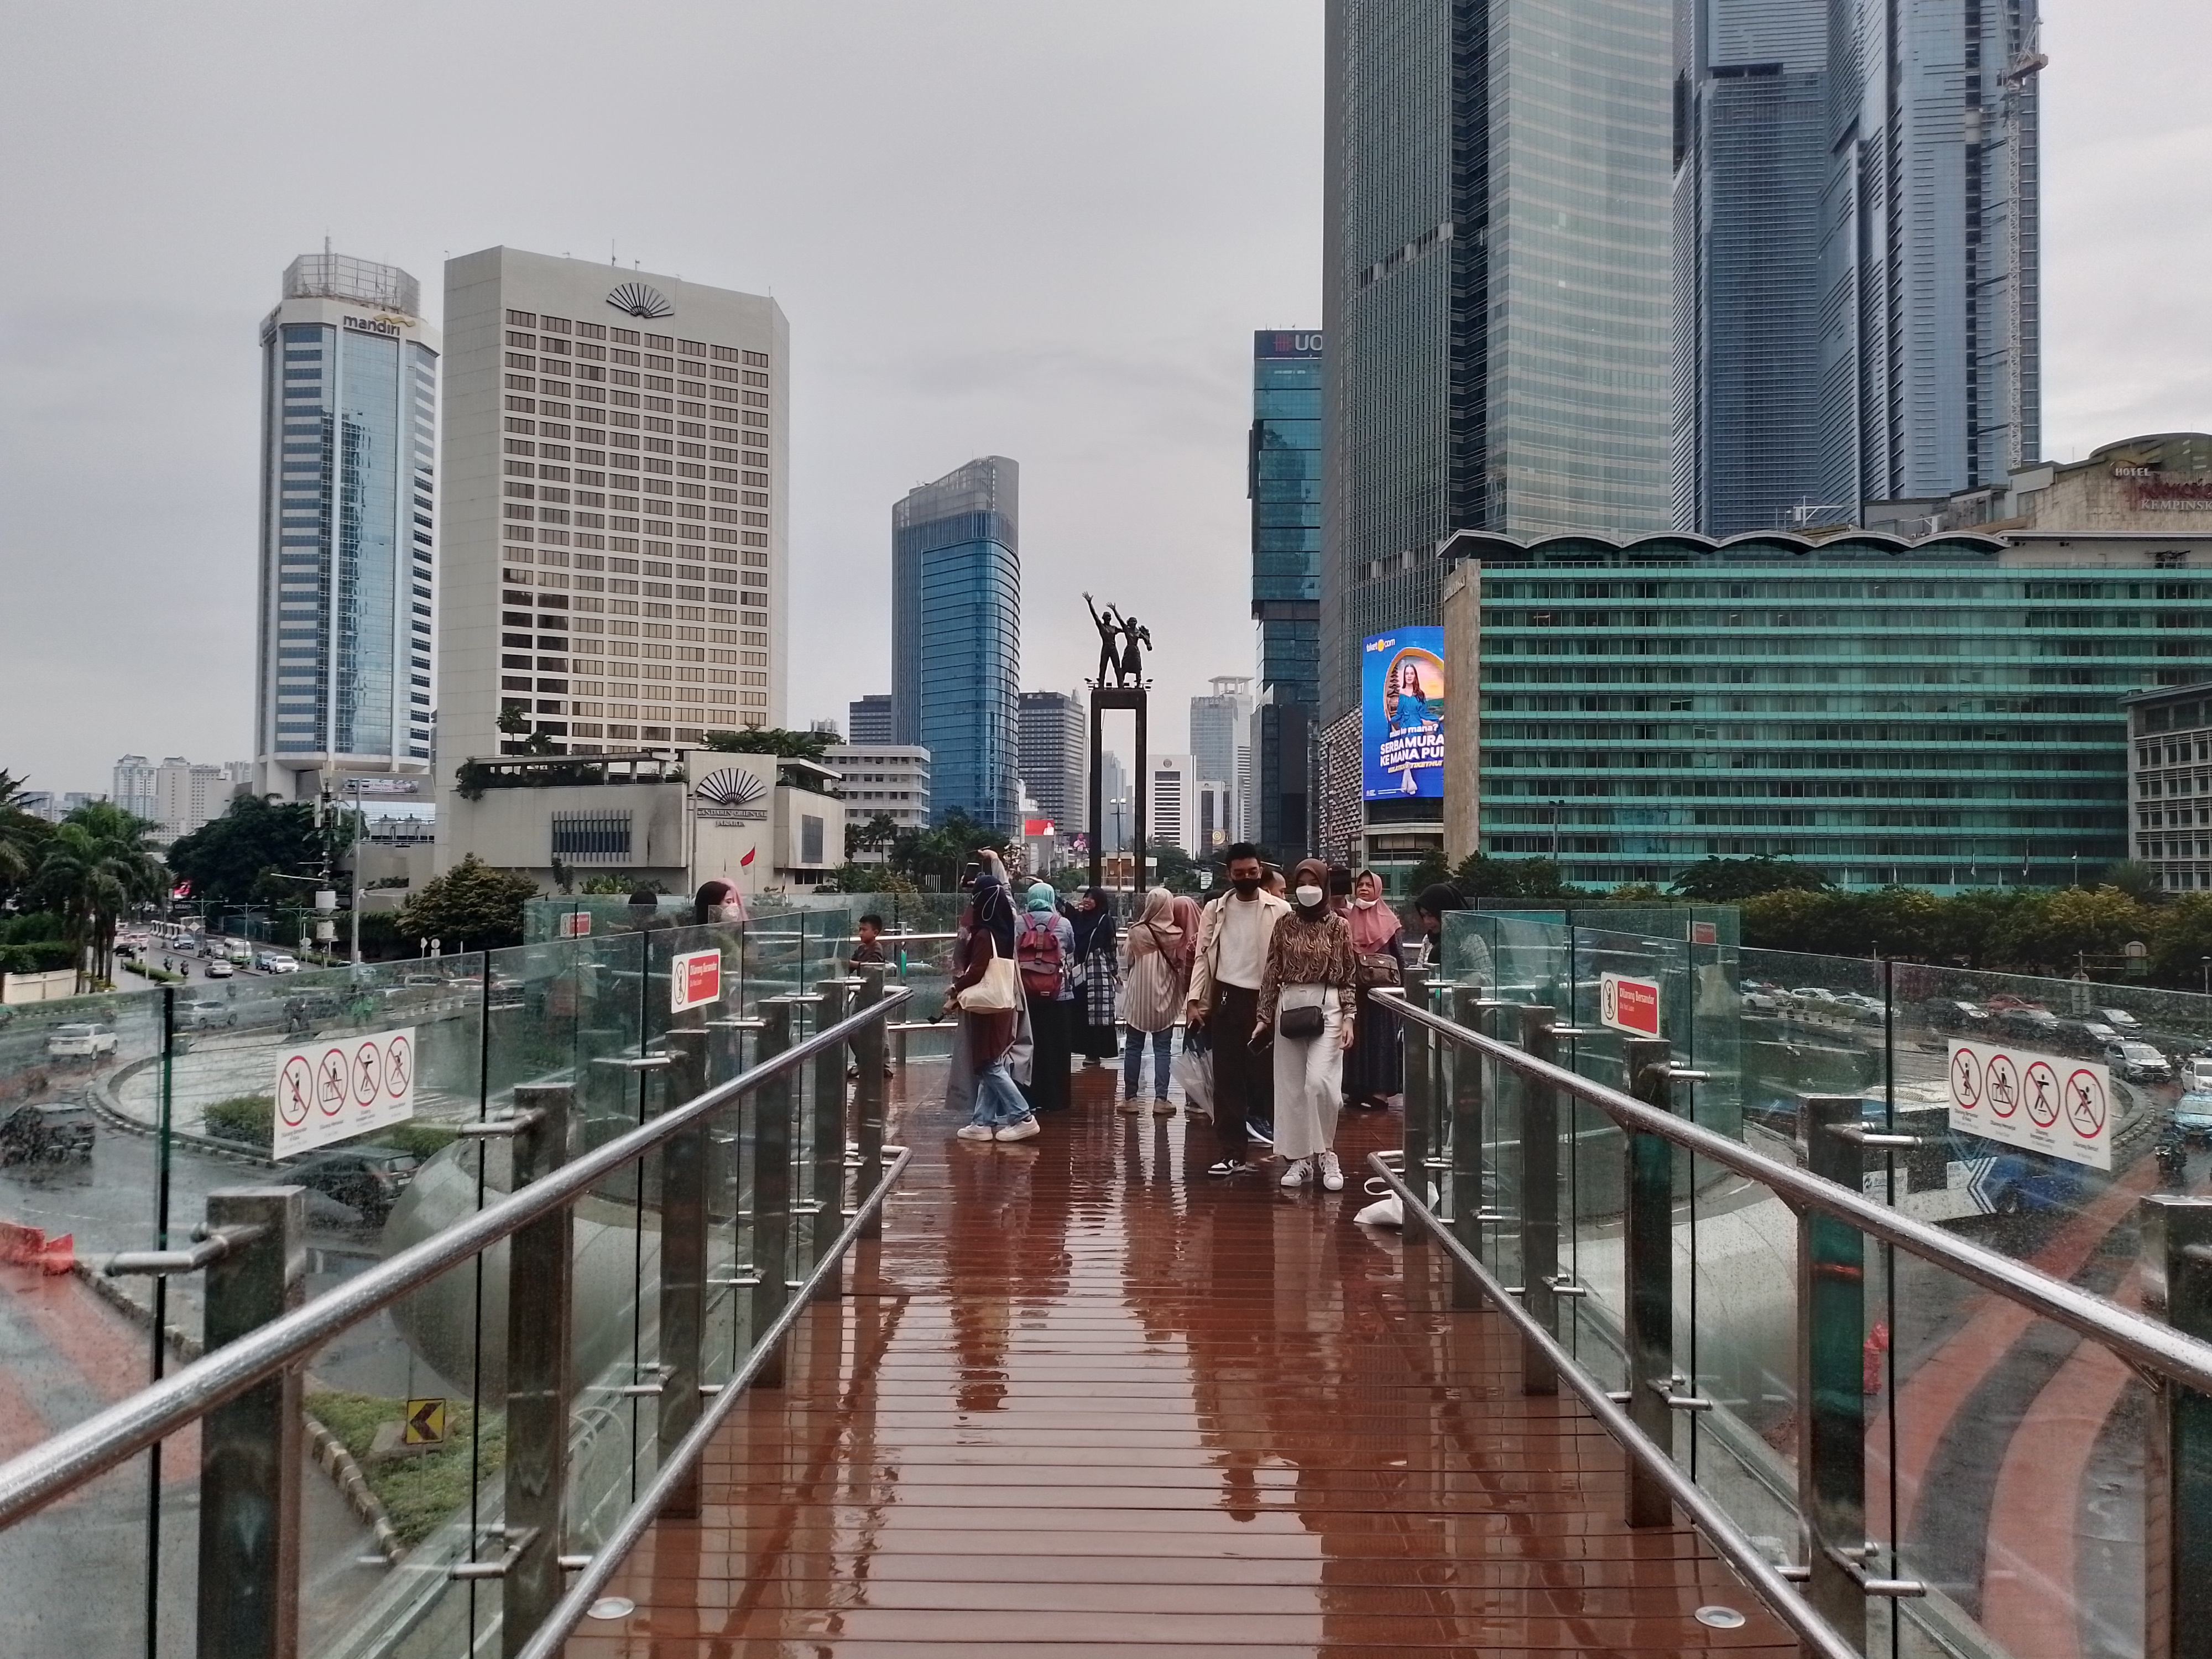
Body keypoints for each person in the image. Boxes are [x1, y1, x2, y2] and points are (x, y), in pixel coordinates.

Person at [1254, 858, 1360, 1191]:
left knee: (1319, 1084)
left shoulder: (1339, 926)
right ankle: (1300, 1158)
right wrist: (1263, 1016)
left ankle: (1327, 1152)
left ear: (1326, 885)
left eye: (1314, 883)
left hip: (1327, 1006)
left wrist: (1349, 1016)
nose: (1307, 890)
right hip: (1289, 1006)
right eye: (1301, 883)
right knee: (1291, 1089)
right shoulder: (1284, 924)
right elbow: (1271, 971)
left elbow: (1348, 974)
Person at [1186, 844, 1291, 1177]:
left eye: (1252, 872)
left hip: (1267, 999)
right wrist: (1194, 1001)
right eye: (1239, 873)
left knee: (1272, 1078)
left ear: (1261, 870)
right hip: (1227, 998)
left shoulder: (1281, 910)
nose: (1247, 878)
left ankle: (1289, 1149)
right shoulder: (1216, 910)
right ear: (1228, 874)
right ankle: (1232, 1151)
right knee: (1228, 1079)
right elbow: (1203, 957)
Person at [947, 865, 1038, 1144]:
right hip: (1002, 1003)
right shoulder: (1004, 931)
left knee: (989, 1064)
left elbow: (976, 971)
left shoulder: (984, 935)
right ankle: (982, 1122)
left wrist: (955, 989)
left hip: (987, 1007)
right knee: (992, 1061)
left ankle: (1023, 1117)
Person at [1118, 887, 1186, 1115]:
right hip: (1165, 996)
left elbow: (1128, 961)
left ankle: (1131, 1099)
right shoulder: (1177, 934)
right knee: (1163, 1049)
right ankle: (1161, 1100)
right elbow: (1180, 963)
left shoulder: (1137, 932)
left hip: (1139, 996)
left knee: (1133, 1047)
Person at [1342, 870, 1405, 1108]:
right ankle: (1355, 1090)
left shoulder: (1390, 922)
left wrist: (1403, 992)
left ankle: (1379, 1093)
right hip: (1355, 992)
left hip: (1382, 994)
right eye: (1361, 884)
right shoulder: (1346, 919)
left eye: (1370, 885)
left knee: (1380, 1041)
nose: (1364, 888)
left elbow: (1400, 959)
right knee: (1355, 1040)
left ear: (1378, 889)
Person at [1016, 881, 1076, 1114]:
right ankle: (1056, 1099)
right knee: (1057, 1048)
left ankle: (1027, 1098)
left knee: (1028, 1047)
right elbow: (1071, 949)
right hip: (1057, 994)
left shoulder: (1019, 922)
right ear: (1051, 898)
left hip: (1026, 993)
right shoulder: (1063, 923)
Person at [1070, 887, 1120, 1065]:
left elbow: (1111, 948)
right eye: (1086, 897)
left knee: (1097, 1014)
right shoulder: (1077, 918)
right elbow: (1062, 907)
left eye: (1092, 898)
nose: (1088, 900)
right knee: (1081, 1011)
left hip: (1098, 972)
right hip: (1079, 972)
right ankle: (1085, 1052)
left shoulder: (1105, 921)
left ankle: (1094, 1054)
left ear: (1100, 902)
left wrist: (1115, 971)